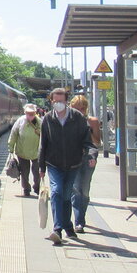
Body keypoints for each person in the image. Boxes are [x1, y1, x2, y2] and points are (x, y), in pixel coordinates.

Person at [37, 86, 96, 245]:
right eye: (55, 101)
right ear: (51, 101)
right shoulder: (48, 119)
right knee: (56, 192)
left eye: (61, 101)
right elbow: (43, 144)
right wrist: (41, 166)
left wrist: (91, 155)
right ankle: (57, 229)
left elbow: (87, 141)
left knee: (66, 196)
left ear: (66, 101)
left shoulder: (77, 118)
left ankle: (68, 226)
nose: (58, 104)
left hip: (73, 164)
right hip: (54, 163)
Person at [68, 95, 101, 232]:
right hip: (73, 157)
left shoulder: (92, 121)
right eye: (76, 108)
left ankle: (82, 215)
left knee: (85, 190)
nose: (80, 111)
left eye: (82, 108)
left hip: (88, 158)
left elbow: (97, 142)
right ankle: (79, 221)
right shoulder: (68, 121)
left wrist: (90, 130)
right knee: (76, 189)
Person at [8, 104, 43, 196]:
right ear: (25, 112)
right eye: (28, 113)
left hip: (36, 152)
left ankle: (37, 186)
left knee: (37, 172)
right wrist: (10, 147)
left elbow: (45, 136)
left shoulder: (39, 122)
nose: (30, 115)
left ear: (35, 113)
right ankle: (26, 188)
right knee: (24, 172)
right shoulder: (20, 121)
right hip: (22, 151)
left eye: (32, 113)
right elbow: (14, 134)